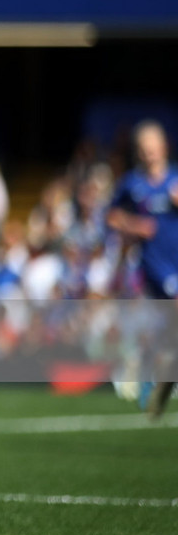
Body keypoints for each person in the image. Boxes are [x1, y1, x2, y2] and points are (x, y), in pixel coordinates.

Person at [106, 119, 178, 419]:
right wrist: (136, 225)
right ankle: (158, 376)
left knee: (169, 330)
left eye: (154, 149)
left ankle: (157, 376)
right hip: (156, 265)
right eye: (143, 150)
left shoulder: (175, 179)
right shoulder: (131, 184)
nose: (149, 155)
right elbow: (111, 216)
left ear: (164, 148)